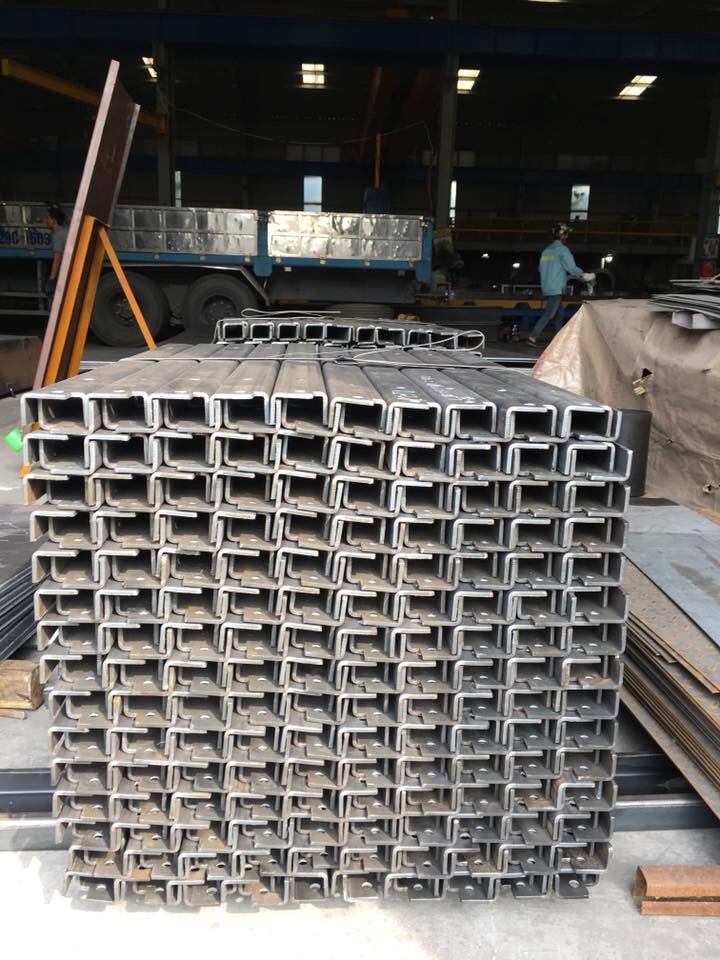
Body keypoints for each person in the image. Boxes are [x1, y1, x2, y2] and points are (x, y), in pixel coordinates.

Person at [528, 222, 594, 346]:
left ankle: (560, 339)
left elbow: (542, 269)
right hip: (556, 289)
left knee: (559, 314)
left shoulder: (546, 251)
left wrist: (569, 276)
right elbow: (571, 268)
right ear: (562, 235)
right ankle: (532, 337)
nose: (567, 237)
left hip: (547, 287)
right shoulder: (562, 250)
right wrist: (584, 275)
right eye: (566, 234)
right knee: (550, 313)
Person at [45, 203, 68, 298]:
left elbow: (57, 258)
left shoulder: (57, 235)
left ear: (54, 220)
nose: (46, 221)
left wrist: (51, 279)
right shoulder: (66, 230)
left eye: (48, 218)